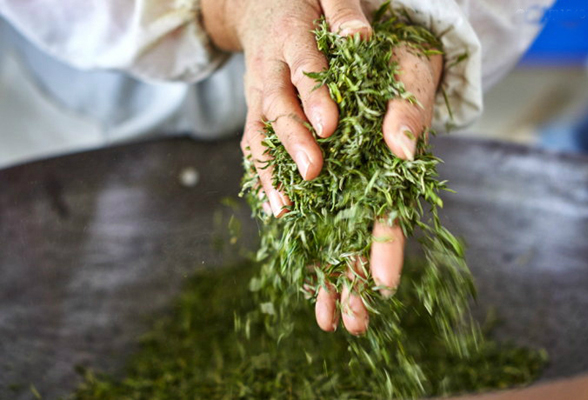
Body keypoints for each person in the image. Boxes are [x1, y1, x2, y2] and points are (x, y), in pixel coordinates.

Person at [0, 0, 555, 335]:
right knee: (90, 283)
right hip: (91, 77)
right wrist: (232, 9)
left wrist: (423, 22)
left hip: (370, 30)